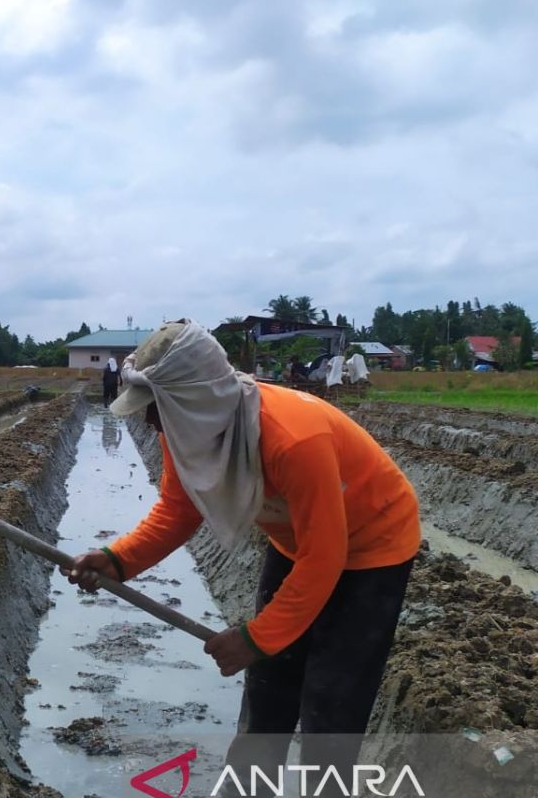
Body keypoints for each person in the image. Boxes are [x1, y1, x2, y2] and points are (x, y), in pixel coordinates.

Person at [61, 320, 419, 793]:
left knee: (331, 700)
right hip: (299, 543)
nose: (150, 422)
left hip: (373, 547)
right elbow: (178, 509)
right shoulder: (188, 429)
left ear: (194, 399)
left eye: (155, 410)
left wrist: (257, 637)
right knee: (268, 689)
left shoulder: (294, 438)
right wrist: (117, 559)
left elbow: (325, 556)